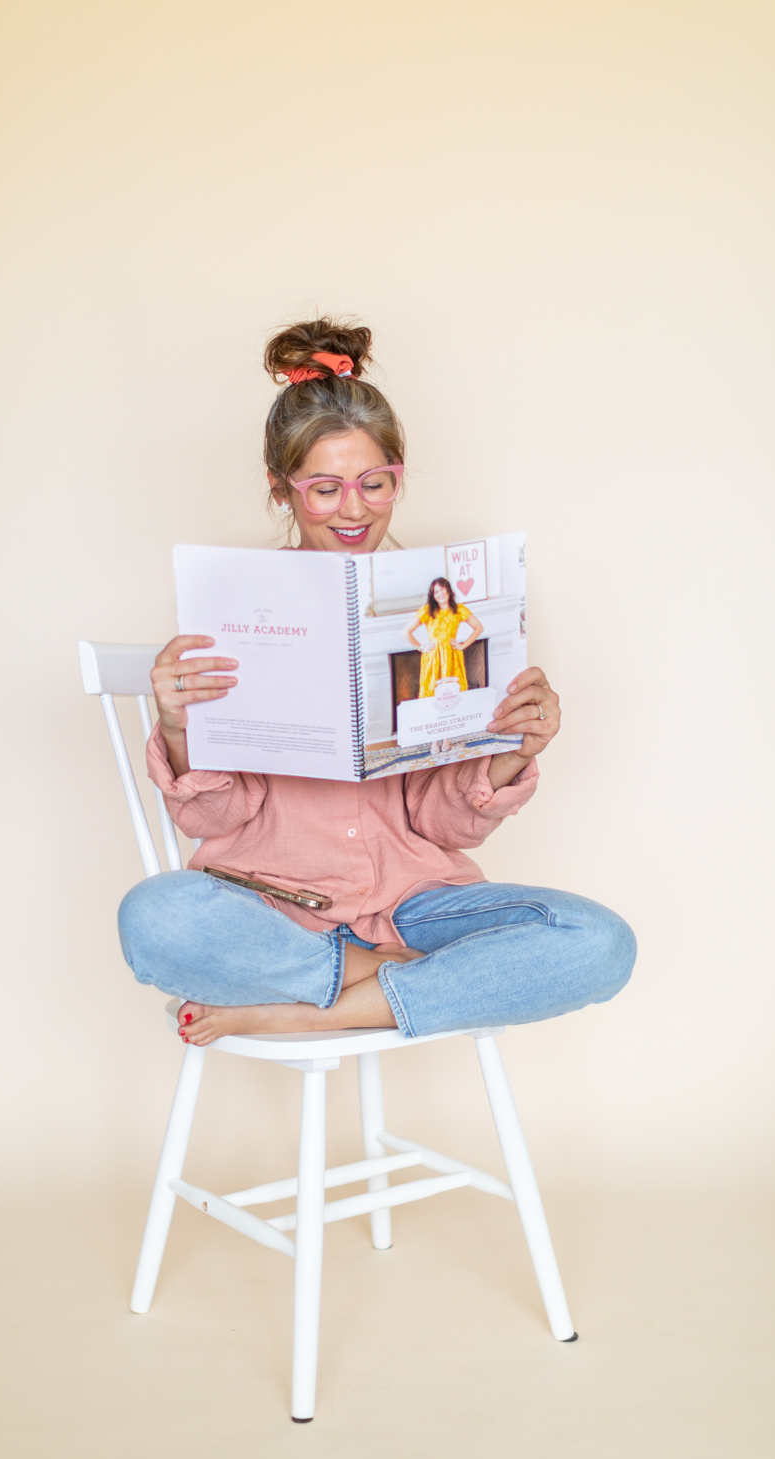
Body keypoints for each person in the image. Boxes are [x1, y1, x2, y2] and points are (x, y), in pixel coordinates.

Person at [118, 318, 636, 1047]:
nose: (354, 508)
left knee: (599, 942)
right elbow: (211, 821)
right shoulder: (236, 610)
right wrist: (177, 726)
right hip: (273, 910)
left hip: (417, 907)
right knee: (155, 916)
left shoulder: (443, 611)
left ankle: (305, 1009)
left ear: (398, 474)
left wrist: (514, 749)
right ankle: (380, 978)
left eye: (373, 483)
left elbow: (442, 826)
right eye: (323, 489)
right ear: (281, 489)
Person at [405, 577, 483, 752]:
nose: (439, 594)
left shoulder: (459, 610)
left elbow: (478, 627)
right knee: (434, 696)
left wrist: (463, 645)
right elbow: (406, 632)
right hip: (433, 660)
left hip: (452, 658)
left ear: (448, 590)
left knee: (449, 696)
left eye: (442, 589)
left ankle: (446, 737)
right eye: (436, 591)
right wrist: (420, 646)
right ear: (433, 595)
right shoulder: (428, 611)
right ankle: (434, 740)